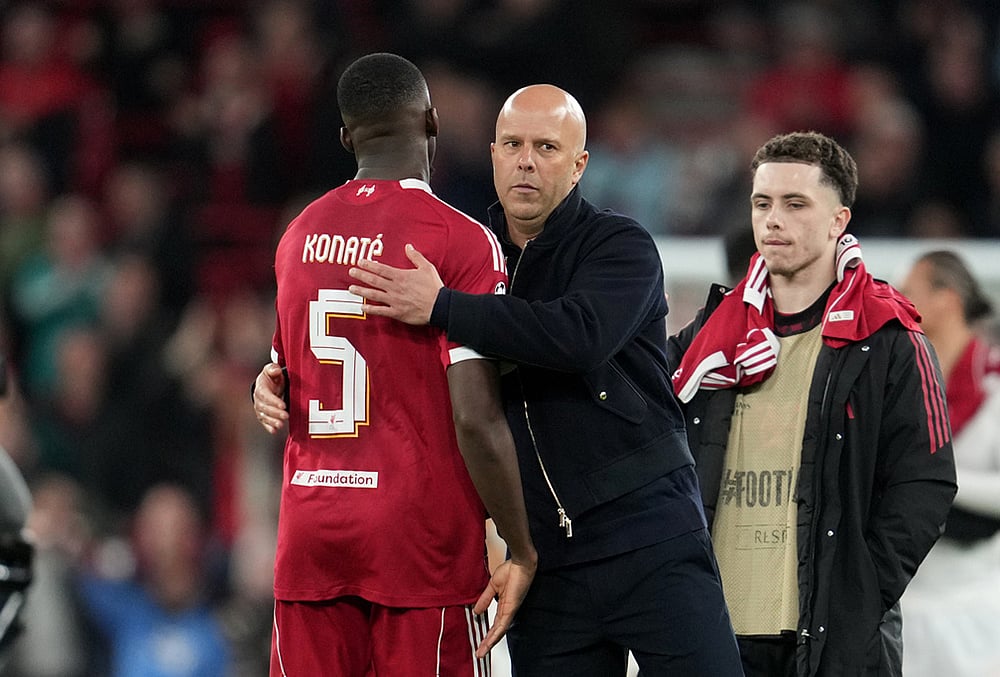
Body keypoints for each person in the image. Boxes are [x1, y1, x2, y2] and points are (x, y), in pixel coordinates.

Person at [259, 83, 743, 675]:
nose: (526, 161)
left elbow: (578, 336)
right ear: (491, 154)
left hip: (647, 539)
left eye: (546, 147)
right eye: (512, 144)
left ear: (579, 163)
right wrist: (280, 378)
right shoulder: (465, 249)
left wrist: (446, 306)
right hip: (544, 565)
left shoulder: (620, 246)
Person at [253, 53, 536, 676]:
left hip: (311, 531)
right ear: (431, 121)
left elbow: (280, 373)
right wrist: (521, 545)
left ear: (346, 136)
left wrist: (263, 383)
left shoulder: (297, 235)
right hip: (420, 542)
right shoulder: (458, 240)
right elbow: (476, 418)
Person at [666, 131, 957, 676]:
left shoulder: (890, 339)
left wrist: (860, 593)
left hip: (830, 641)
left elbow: (927, 483)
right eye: (762, 203)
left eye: (795, 204)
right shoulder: (706, 340)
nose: (773, 219)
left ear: (838, 220)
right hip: (712, 632)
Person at [897, 250, 1000, 677]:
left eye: (910, 293)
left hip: (977, 602)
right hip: (907, 601)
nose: (899, 303)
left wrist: (928, 483)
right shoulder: (897, 385)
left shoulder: (994, 386)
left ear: (948, 300)